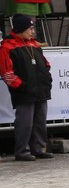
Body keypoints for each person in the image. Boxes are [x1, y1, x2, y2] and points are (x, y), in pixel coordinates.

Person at [0, 14, 53, 161]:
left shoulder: (34, 44)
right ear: (20, 29)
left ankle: (39, 148)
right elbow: (7, 73)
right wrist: (21, 86)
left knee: (40, 122)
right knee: (25, 123)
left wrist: (47, 80)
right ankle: (22, 151)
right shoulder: (7, 46)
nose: (33, 32)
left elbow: (46, 64)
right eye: (30, 28)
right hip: (24, 92)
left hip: (41, 89)